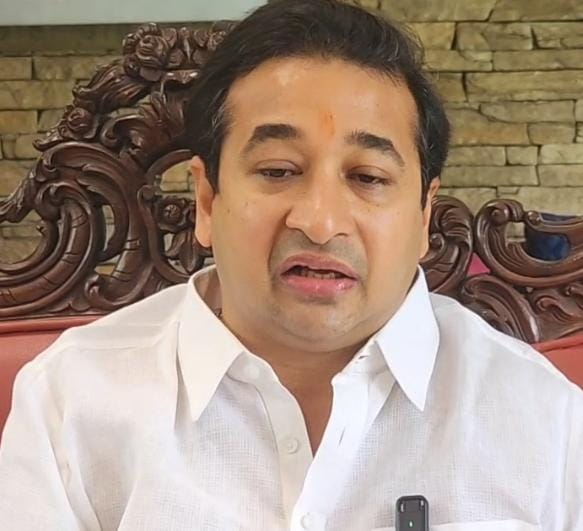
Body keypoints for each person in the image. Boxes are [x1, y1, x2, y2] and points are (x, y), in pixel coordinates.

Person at [0, 0, 581, 529]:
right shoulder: (70, 401)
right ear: (208, 200)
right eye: (278, 170)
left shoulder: (544, 419)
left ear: (424, 215)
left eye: (368, 177)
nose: (321, 222)